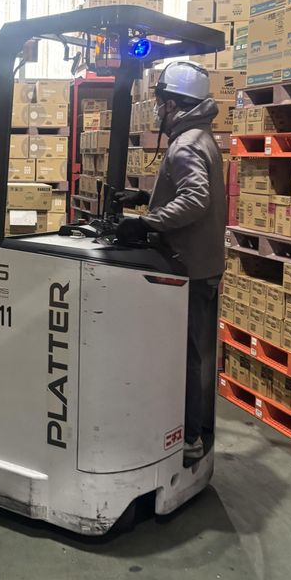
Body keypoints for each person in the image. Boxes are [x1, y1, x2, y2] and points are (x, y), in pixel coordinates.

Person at [114, 61, 226, 460]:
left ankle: (189, 439)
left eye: (161, 103)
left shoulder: (186, 144)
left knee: (182, 357)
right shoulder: (200, 137)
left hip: (187, 265)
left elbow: (195, 199)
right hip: (200, 262)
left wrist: (146, 222)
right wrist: (146, 198)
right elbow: (188, 190)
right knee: (190, 353)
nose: (158, 110)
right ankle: (189, 430)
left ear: (174, 105)